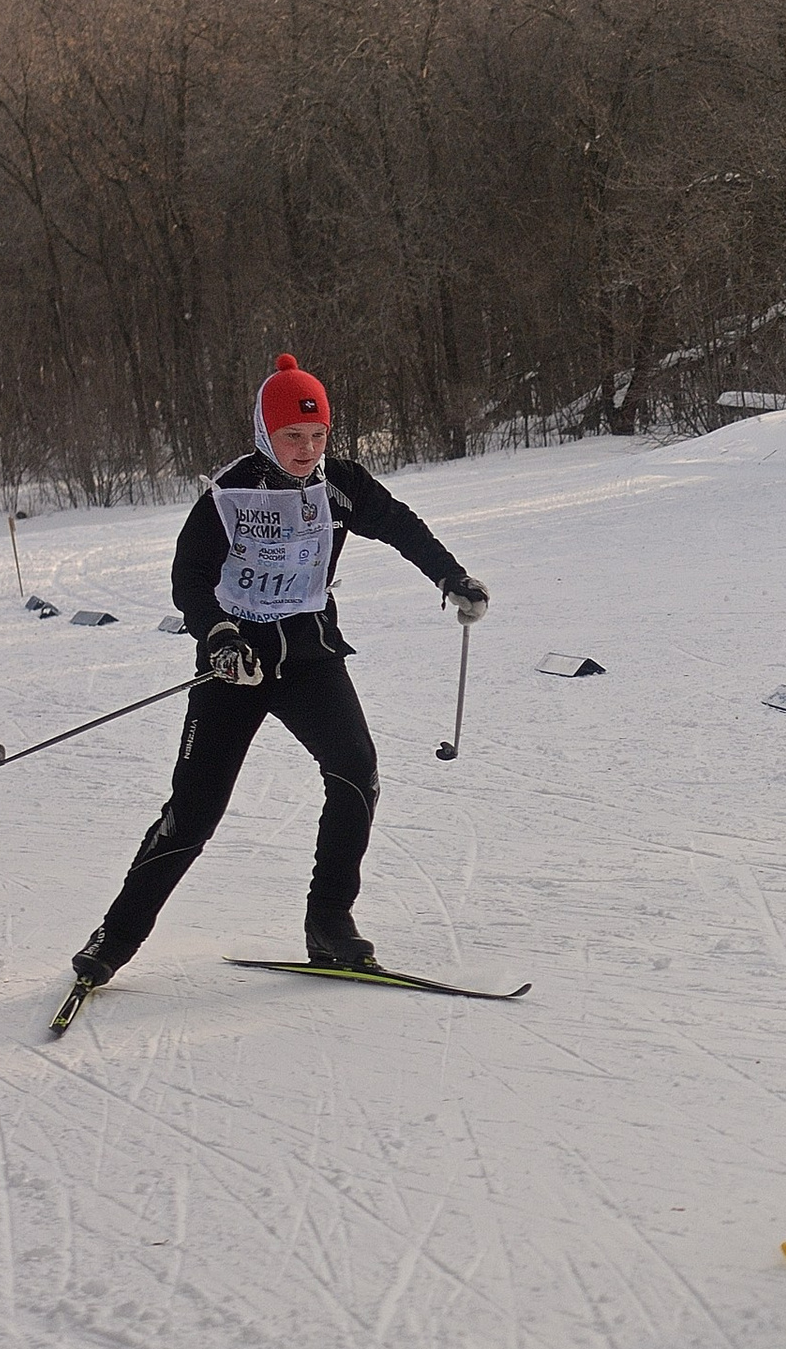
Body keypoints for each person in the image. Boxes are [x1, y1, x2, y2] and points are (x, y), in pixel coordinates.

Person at [69, 352, 489, 988]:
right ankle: (115, 937)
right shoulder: (229, 492)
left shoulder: (340, 484)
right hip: (235, 667)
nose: (307, 449)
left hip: (311, 659)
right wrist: (217, 637)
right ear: (266, 432)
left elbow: (400, 526)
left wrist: (451, 577)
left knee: (356, 773)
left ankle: (330, 923)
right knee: (196, 810)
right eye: (293, 436)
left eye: (318, 435)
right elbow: (191, 577)